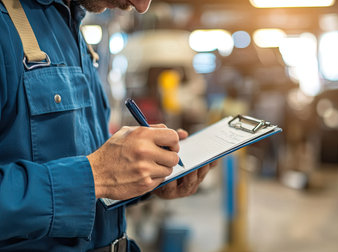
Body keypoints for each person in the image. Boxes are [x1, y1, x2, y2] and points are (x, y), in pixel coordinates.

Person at [0, 0, 215, 251]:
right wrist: (95, 177)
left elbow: (84, 162)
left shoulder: (70, 29)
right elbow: (93, 173)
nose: (142, 6)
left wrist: (145, 172)